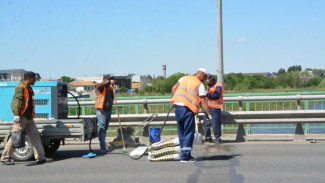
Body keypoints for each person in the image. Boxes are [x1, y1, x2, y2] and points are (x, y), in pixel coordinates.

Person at [1, 71, 52, 165]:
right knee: (15, 138)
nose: (35, 81)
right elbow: (16, 102)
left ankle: (40, 157)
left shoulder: (28, 88)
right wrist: (16, 115)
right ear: (28, 78)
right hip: (21, 118)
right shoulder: (20, 87)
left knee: (35, 137)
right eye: (34, 79)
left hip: (28, 118)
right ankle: (4, 158)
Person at [171, 68, 212, 163]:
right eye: (205, 78)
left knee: (181, 132)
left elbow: (174, 88)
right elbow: (203, 100)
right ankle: (185, 157)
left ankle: (184, 154)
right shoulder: (199, 84)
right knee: (188, 133)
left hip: (178, 108)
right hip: (188, 109)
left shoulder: (183, 78)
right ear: (202, 76)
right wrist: (209, 114)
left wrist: (174, 101)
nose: (205, 80)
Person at [95, 75, 114, 153]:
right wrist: (105, 82)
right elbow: (99, 85)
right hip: (101, 111)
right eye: (109, 80)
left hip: (108, 111)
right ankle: (103, 147)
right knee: (102, 127)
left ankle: (103, 145)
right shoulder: (100, 87)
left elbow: (111, 98)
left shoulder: (109, 88)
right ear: (105, 80)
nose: (111, 81)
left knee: (105, 128)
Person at [203, 74, 223, 144]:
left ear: (212, 79)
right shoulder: (209, 86)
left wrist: (206, 94)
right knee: (206, 123)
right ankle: (208, 138)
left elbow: (216, 96)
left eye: (208, 80)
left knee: (215, 124)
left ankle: (217, 138)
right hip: (208, 108)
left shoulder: (218, 86)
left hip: (215, 108)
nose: (207, 82)